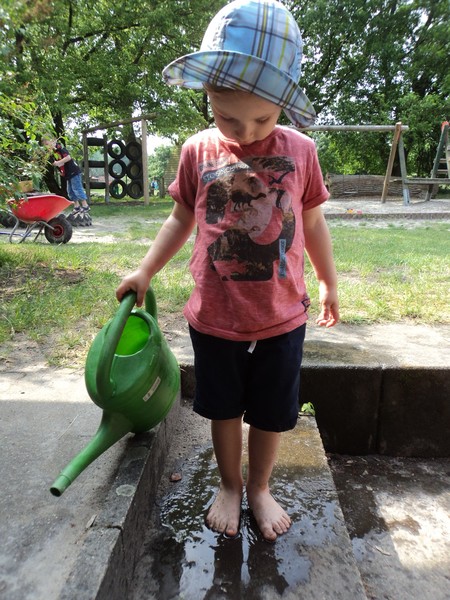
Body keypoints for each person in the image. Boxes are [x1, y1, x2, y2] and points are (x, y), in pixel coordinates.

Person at [116, 0, 339, 542]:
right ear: (208, 97)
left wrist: (329, 280)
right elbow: (180, 218)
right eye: (226, 117)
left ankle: (259, 486)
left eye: (263, 119)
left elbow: (313, 223)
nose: (245, 131)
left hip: (282, 314)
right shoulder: (196, 151)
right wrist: (145, 271)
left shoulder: (302, 151)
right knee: (224, 409)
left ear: (283, 103)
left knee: (271, 411)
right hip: (215, 314)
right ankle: (230, 485)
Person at [42, 135, 92, 226]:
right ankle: (76, 206)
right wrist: (61, 171)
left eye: (47, 144)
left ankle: (85, 205)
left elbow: (68, 158)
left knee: (77, 189)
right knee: (70, 191)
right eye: (45, 145)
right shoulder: (53, 153)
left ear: (54, 141)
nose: (47, 146)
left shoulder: (60, 148)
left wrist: (59, 162)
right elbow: (57, 164)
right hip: (68, 174)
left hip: (74, 172)